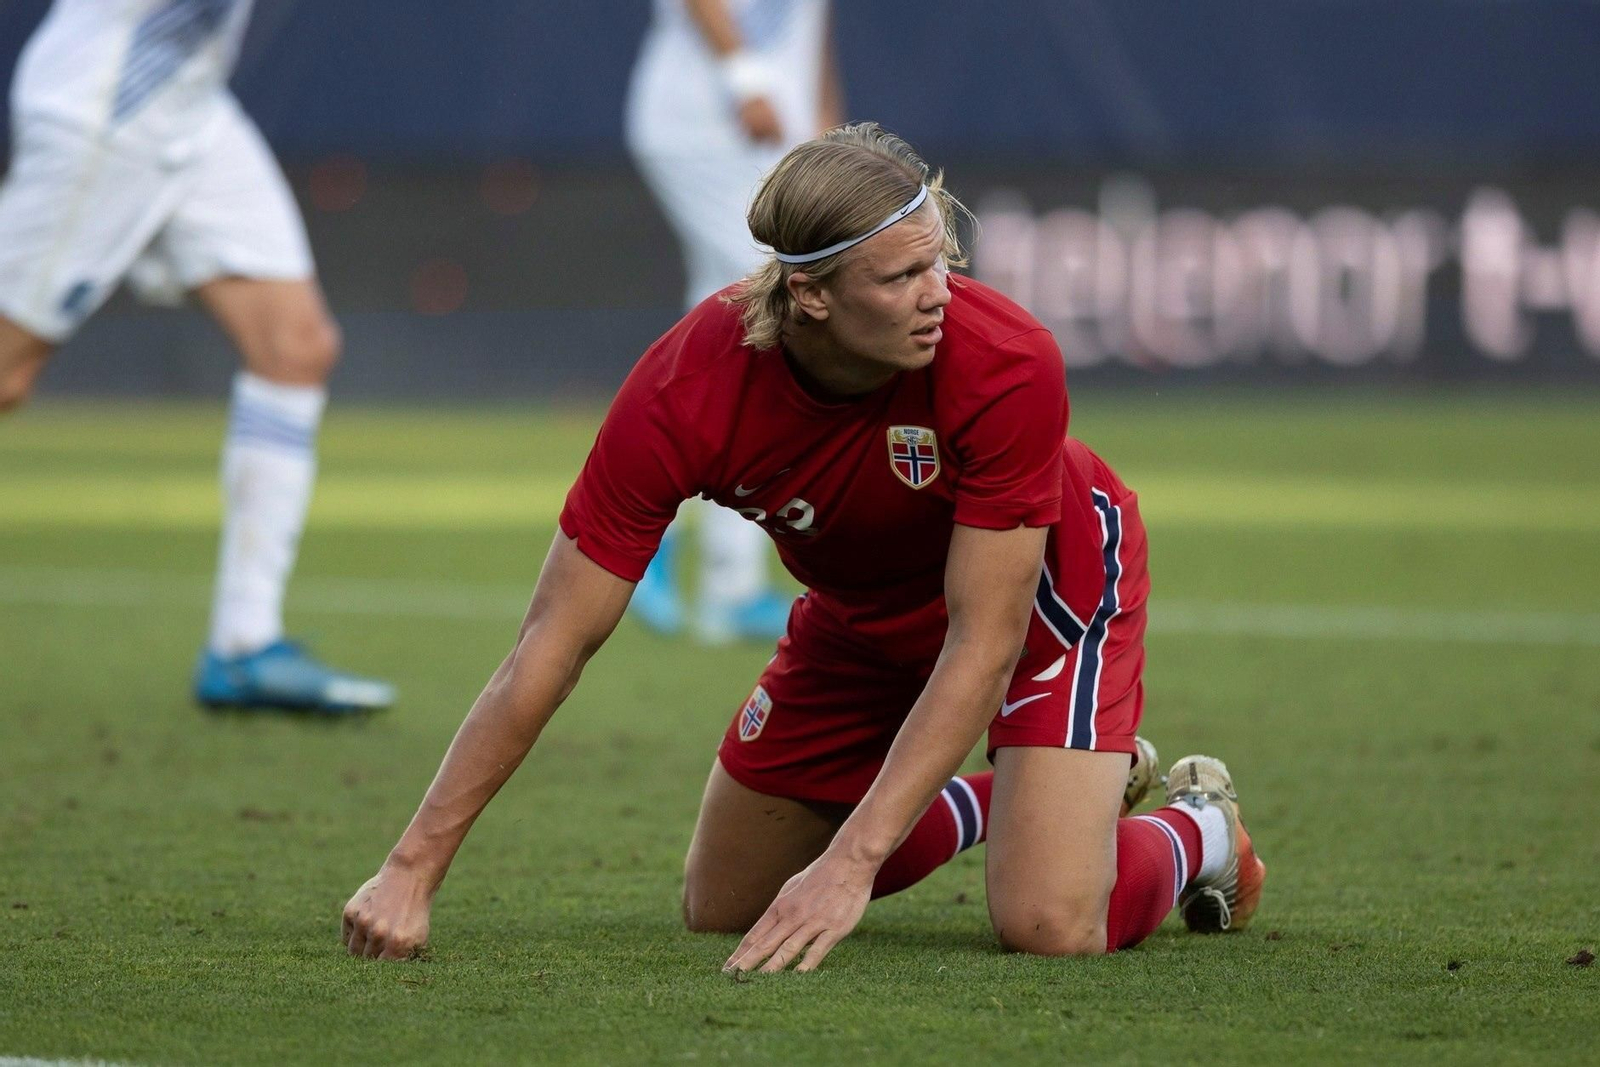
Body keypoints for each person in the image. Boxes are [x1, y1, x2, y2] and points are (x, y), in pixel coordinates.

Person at [341, 124, 1266, 966]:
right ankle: (1016, 800)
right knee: (725, 903)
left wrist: (852, 863)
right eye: (901, 277)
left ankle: (1200, 832)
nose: (940, 294)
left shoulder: (1007, 360)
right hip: (860, 613)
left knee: (1049, 926)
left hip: (1045, 603)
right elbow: (552, 641)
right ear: (810, 294)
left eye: (940, 261)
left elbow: (983, 642)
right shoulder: (685, 390)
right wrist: (411, 870)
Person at [0, 0, 392, 714]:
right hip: (108, 101)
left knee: (295, 346)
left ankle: (243, 645)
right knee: (8, 372)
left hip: (189, 101)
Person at [624, 0, 845, 643]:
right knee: (779, 304)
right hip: (704, 124)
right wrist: (745, 78)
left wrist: (825, 126)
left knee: (729, 331)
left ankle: (720, 578)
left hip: (778, 134)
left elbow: (811, 31)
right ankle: (655, 535)